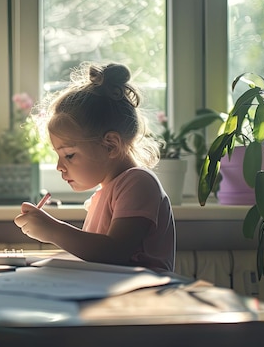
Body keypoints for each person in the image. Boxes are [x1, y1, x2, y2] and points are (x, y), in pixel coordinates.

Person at [14, 62, 175, 272]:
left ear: (110, 145)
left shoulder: (138, 182)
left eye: (69, 155)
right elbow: (96, 260)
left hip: (143, 299)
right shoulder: (105, 193)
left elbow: (114, 253)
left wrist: (52, 231)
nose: (59, 167)